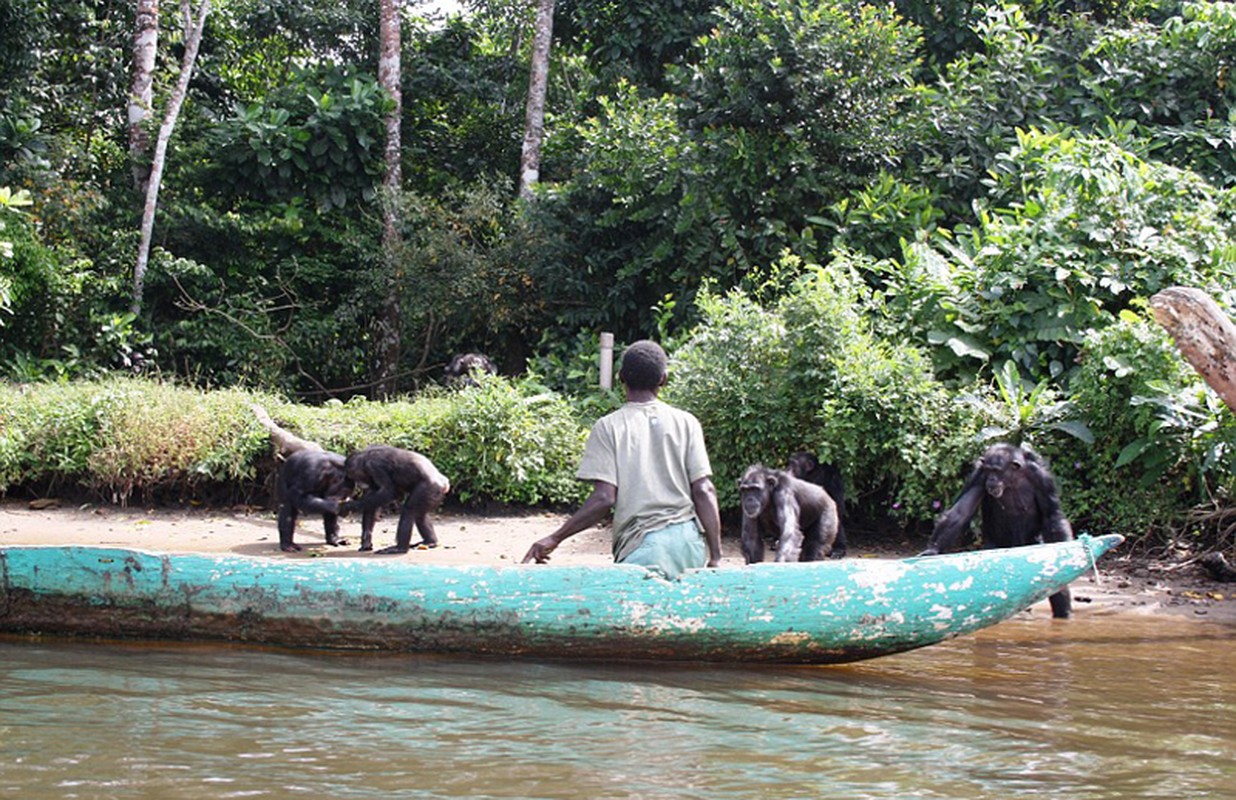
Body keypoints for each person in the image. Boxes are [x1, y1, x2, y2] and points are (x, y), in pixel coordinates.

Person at [521, 340, 723, 579]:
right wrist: (716, 556)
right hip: (689, 544)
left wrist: (555, 538)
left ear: (620, 377)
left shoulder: (608, 427)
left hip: (642, 546)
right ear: (664, 379)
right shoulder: (686, 422)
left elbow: (604, 498)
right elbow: (704, 489)